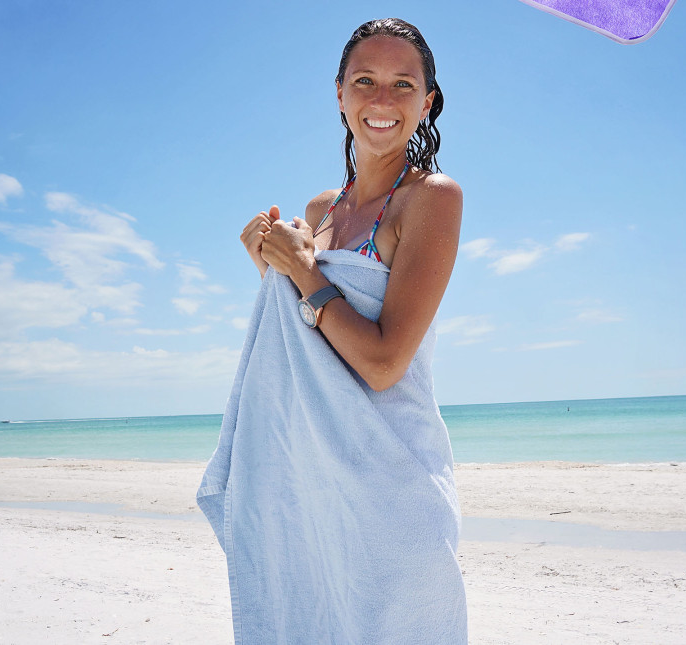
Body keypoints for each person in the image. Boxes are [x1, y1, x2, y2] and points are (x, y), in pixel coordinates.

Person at [197, 18, 467, 644]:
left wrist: (302, 268)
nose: (381, 100)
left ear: (427, 102)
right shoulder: (320, 211)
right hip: (312, 491)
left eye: (403, 85)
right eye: (365, 81)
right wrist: (271, 270)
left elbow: (381, 363)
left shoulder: (431, 198)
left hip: (391, 487)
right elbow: (304, 341)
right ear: (339, 93)